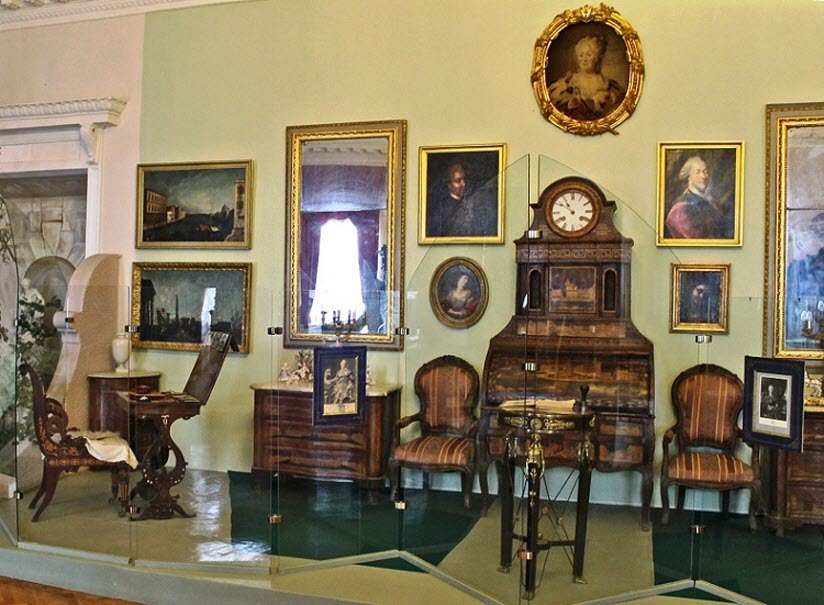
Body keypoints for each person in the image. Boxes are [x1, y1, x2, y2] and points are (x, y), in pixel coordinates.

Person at [548, 33, 625, 120]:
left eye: (589, 55)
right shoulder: (568, 84)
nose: (584, 59)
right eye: (581, 55)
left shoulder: (610, 87)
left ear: (597, 57)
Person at [665, 156, 730, 239]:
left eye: (705, 172)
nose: (703, 176)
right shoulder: (682, 208)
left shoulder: (708, 202)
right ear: (688, 177)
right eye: (697, 172)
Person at [426, 163, 497, 238]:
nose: (463, 184)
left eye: (464, 180)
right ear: (449, 185)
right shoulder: (442, 208)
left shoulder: (472, 203)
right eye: (458, 181)